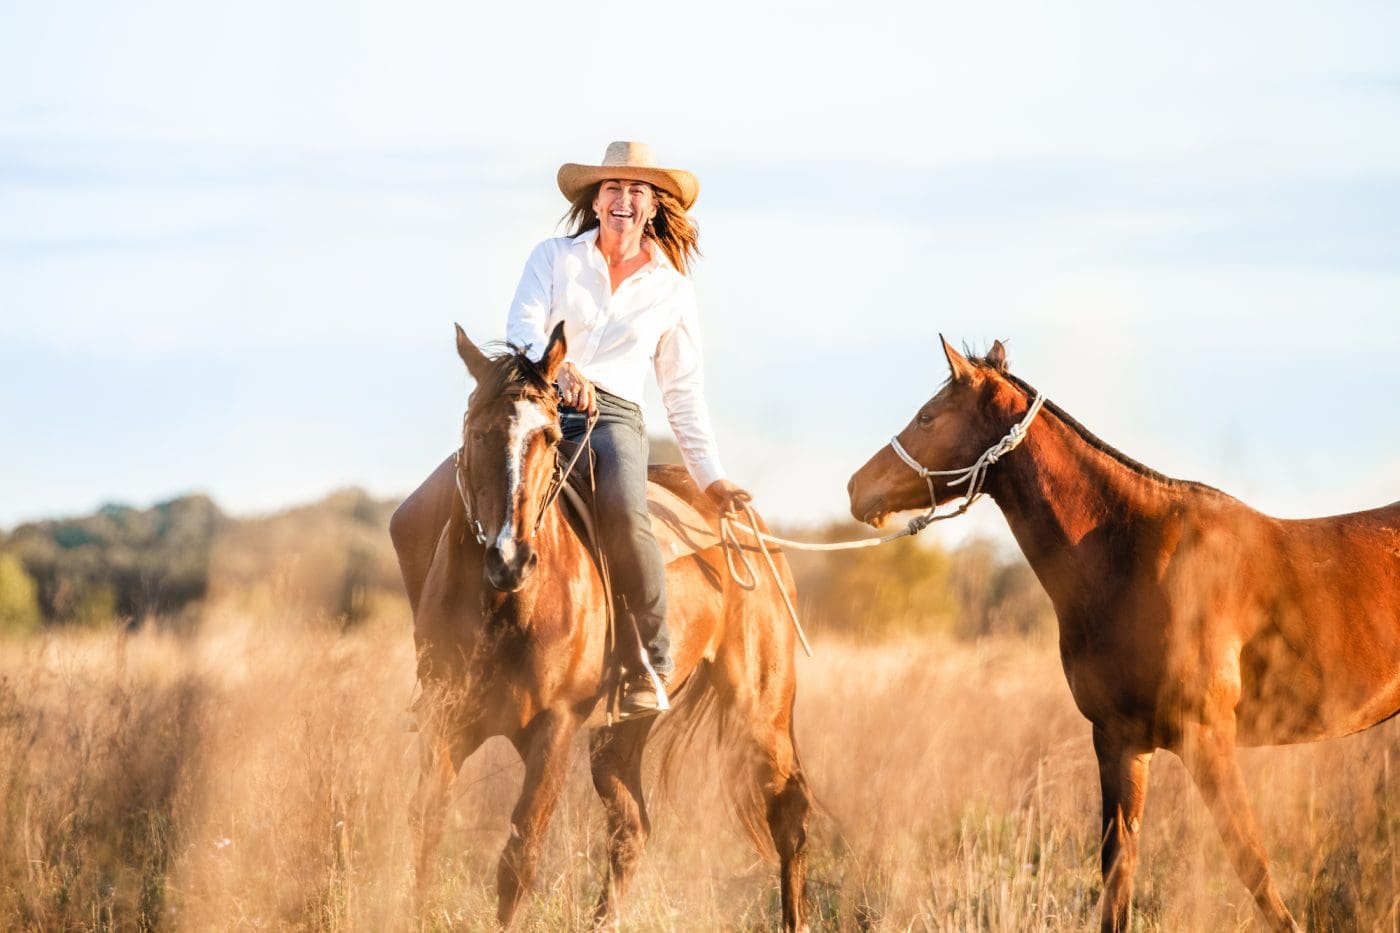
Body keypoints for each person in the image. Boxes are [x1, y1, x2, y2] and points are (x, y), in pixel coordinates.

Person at [507, 141, 750, 718]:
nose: (624, 199)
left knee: (622, 505)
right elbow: (520, 327)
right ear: (595, 202)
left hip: (609, 416)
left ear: (654, 208)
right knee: (463, 487)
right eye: (613, 188)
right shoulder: (554, 257)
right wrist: (559, 367)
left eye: (637, 190)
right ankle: (441, 653)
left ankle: (651, 658)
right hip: (538, 396)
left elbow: (682, 392)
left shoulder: (673, 290)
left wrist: (710, 478)